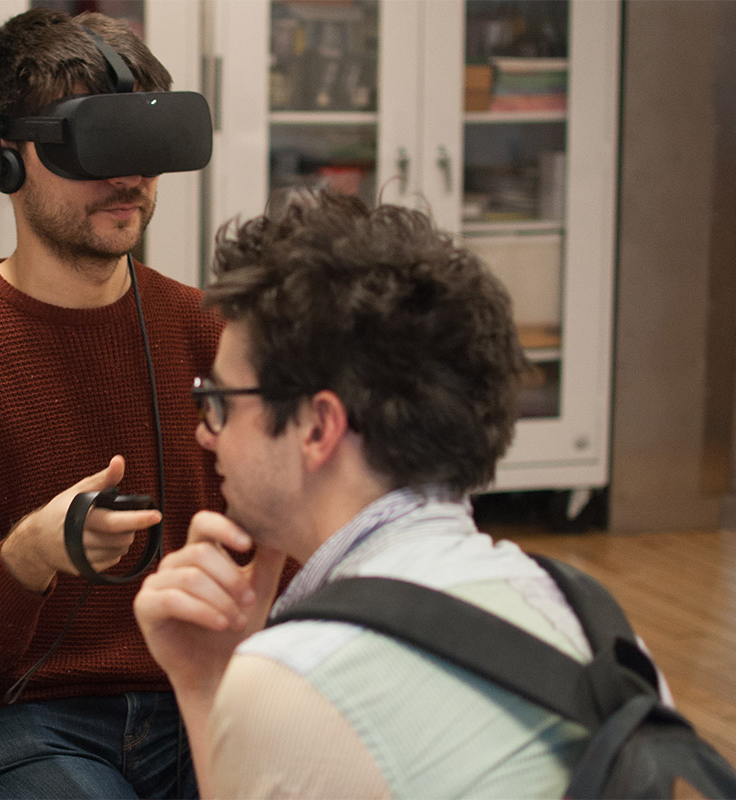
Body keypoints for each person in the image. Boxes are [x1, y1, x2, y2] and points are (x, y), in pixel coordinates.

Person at [134, 189, 608, 797]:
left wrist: (207, 680)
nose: (205, 432)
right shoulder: (592, 624)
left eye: (221, 401)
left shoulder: (302, 679)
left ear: (318, 427)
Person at [0, 8, 220, 798]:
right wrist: (29, 558)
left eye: (144, 149)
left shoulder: (211, 334)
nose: (128, 179)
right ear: (5, 156)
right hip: (14, 721)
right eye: (95, 148)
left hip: (201, 697)